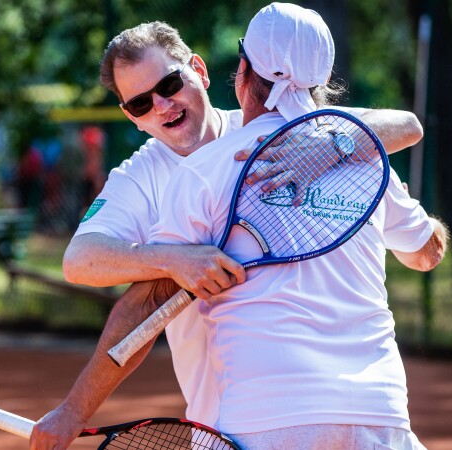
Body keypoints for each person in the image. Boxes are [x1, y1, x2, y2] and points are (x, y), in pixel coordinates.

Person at [29, 13, 431, 450]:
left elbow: (405, 126)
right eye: (141, 104)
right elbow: (79, 260)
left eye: (168, 86)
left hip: (253, 421)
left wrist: (329, 148)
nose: (162, 105)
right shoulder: (144, 174)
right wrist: (174, 259)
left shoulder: (326, 140)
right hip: (318, 414)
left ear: (205, 72)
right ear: (130, 116)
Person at [141, 3, 448, 448]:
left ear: (243, 71)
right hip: (378, 413)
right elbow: (427, 252)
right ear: (323, 79)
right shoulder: (365, 157)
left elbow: (152, 295)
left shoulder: (200, 172)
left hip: (263, 418)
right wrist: (425, 224)